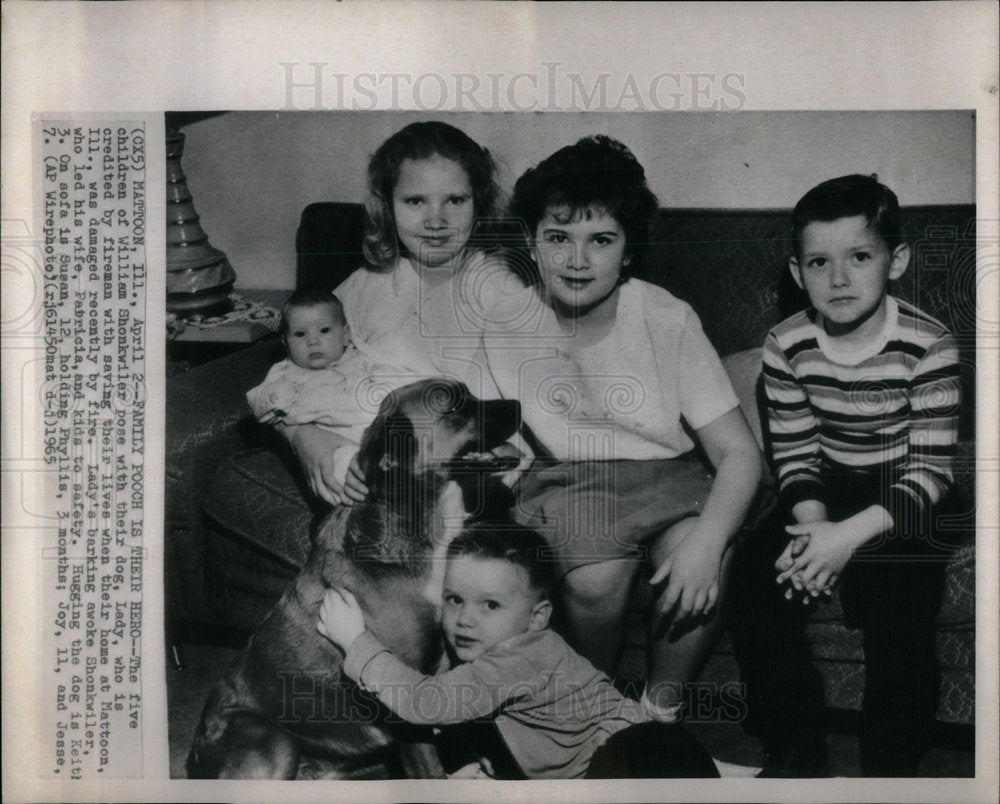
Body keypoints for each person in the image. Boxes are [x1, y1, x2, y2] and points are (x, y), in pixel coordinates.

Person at [479, 136, 763, 723]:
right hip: (570, 478)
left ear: (629, 251)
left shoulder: (663, 316)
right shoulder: (507, 320)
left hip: (668, 476)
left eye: (601, 240)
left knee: (701, 547)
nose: (577, 260)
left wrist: (708, 546)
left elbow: (738, 453)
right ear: (532, 243)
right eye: (558, 238)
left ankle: (661, 708)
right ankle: (594, 705)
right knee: (595, 575)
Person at [729, 174, 961, 777]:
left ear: (896, 260)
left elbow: (931, 470)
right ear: (797, 270)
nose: (838, 279)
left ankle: (892, 764)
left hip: (910, 490)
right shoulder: (785, 343)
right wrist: (813, 530)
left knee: (900, 601)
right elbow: (797, 455)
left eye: (859, 257)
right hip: (826, 484)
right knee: (757, 583)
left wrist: (846, 539)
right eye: (818, 262)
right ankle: (796, 753)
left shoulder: (930, 344)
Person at [316, 523, 720, 779]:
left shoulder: (520, 658)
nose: (465, 619)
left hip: (641, 759)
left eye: (490, 605)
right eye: (454, 599)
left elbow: (426, 702)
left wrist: (355, 641)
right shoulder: (511, 652)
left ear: (538, 616)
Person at [281, 121, 524, 505]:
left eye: (455, 200)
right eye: (415, 201)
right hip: (364, 470)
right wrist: (302, 438)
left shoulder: (503, 292)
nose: (436, 220)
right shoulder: (365, 286)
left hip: (459, 478)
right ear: (387, 205)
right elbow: (294, 376)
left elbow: (524, 411)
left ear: (479, 201)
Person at [246, 289, 404, 487]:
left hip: (374, 430)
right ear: (286, 343)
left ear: (345, 335)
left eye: (324, 330)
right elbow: (258, 403)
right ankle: (364, 497)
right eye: (300, 334)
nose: (313, 341)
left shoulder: (359, 358)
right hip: (334, 440)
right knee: (336, 466)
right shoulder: (286, 372)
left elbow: (389, 375)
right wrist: (275, 397)